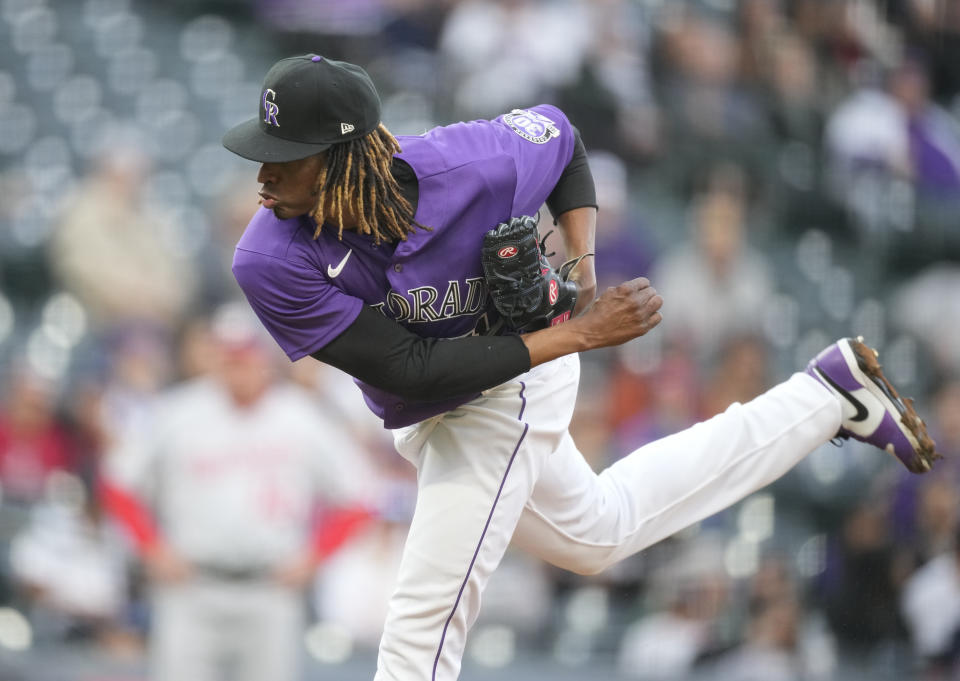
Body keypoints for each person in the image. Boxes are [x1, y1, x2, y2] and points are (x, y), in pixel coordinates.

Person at [221, 54, 940, 681]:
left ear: (346, 157)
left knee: (420, 622)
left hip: (514, 385)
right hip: (445, 390)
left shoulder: (471, 162)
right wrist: (585, 333)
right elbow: (411, 368)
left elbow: (563, 140)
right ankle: (823, 397)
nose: (264, 173)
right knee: (598, 533)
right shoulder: (270, 258)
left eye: (289, 152)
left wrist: (583, 265)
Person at [101, 303, 373, 681]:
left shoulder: (302, 416)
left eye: (244, 355)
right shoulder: (177, 411)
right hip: (191, 586)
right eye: (229, 356)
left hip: (270, 589)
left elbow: (360, 497)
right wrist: (151, 547)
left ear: (263, 356)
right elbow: (117, 484)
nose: (237, 365)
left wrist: (315, 556)